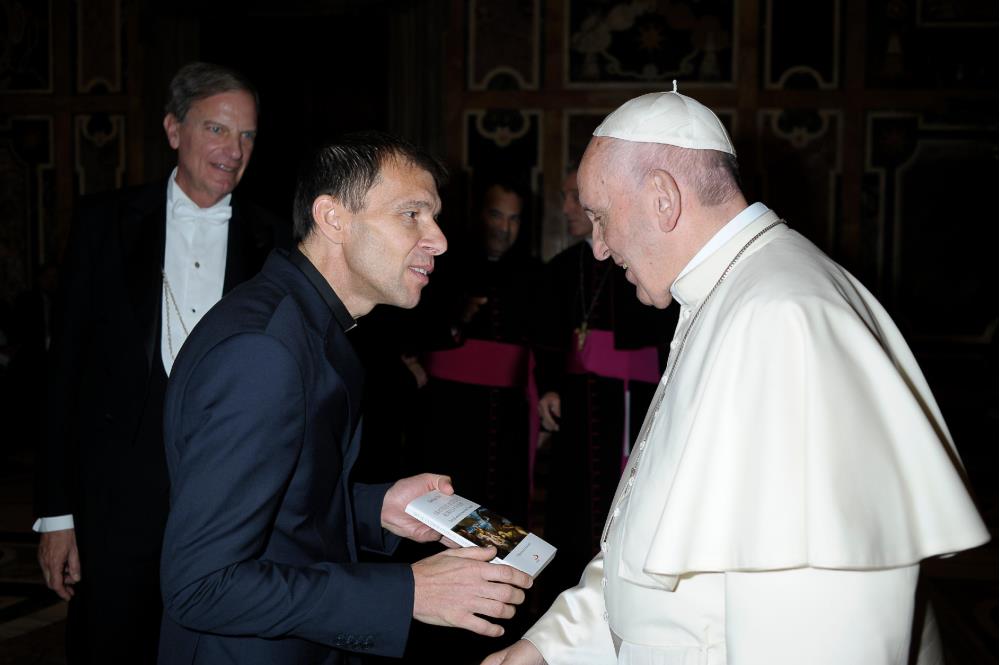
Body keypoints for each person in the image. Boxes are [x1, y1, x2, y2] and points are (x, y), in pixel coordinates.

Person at [482, 90, 990, 665]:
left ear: (662, 199)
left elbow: (820, 629)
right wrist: (548, 648)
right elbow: (650, 547)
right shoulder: (728, 294)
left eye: (601, 218)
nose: (598, 248)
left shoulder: (785, 320)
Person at [158, 132, 534, 665]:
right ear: (333, 218)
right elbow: (202, 586)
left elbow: (280, 511)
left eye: (434, 217)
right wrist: (408, 593)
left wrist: (375, 508)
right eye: (412, 215)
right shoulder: (263, 352)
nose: (439, 240)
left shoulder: (306, 324)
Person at [34, 61, 283, 663]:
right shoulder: (104, 223)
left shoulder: (275, 240)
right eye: (217, 129)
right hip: (117, 500)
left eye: (247, 135)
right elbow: (63, 373)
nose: (234, 151)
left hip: (229, 501)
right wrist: (56, 514)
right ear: (174, 129)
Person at [534, 167, 674, 598]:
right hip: (578, 403)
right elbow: (549, 336)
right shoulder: (561, 267)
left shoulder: (641, 260)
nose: (565, 208)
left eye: (572, 197)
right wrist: (549, 385)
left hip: (634, 400)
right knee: (574, 502)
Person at [414, 176, 542, 527]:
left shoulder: (533, 273)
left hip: (510, 415)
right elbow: (416, 330)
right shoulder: (443, 264)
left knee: (506, 504)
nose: (504, 228)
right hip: (451, 410)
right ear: (479, 214)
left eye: (514, 219)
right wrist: (459, 316)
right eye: (496, 215)